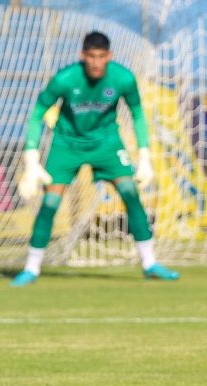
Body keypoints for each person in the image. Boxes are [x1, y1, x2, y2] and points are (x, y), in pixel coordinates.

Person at [11, 31, 179, 286]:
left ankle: (150, 263)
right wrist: (31, 159)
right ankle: (31, 268)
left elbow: (137, 113)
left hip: (107, 143)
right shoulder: (65, 79)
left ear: (109, 56)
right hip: (67, 145)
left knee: (130, 193)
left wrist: (144, 156)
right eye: (91, 56)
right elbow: (37, 113)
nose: (96, 62)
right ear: (83, 55)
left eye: (101, 57)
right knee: (50, 203)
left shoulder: (122, 78)